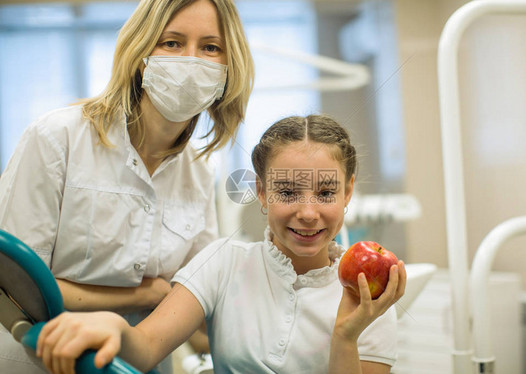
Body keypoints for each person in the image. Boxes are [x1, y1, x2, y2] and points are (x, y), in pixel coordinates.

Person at [36, 114, 407, 374]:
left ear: (348, 192)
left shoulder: (369, 297)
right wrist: (114, 328)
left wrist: (345, 336)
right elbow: (145, 349)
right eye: (287, 192)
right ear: (261, 193)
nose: (308, 213)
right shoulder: (222, 261)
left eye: (326, 192)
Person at [0, 0, 253, 373]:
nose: (190, 60)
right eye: (171, 42)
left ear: (229, 69)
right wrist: (144, 294)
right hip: (42, 362)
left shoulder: (200, 171)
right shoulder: (58, 138)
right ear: (140, 52)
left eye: (210, 47)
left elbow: (191, 302)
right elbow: (20, 286)